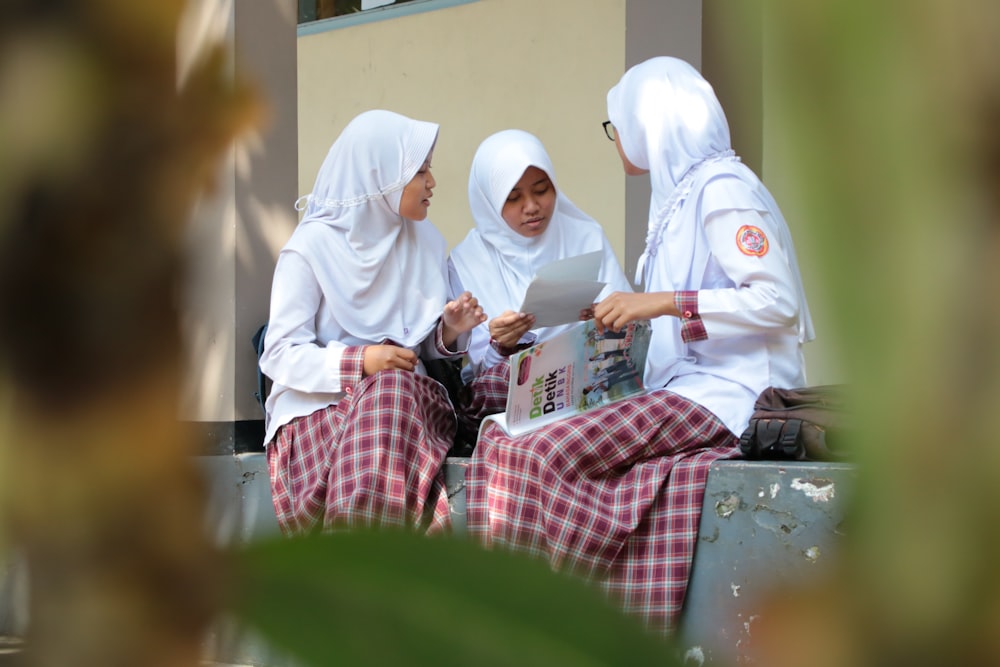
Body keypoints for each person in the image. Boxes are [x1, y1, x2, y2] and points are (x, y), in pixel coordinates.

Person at [464, 57, 814, 635]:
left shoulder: (723, 190)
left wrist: (659, 303)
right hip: (682, 387)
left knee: (533, 453)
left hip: (729, 393)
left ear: (649, 123)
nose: (617, 140)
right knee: (507, 436)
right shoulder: (679, 196)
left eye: (616, 125)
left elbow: (777, 302)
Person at [260, 109, 486, 536]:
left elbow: (418, 351)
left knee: (392, 393)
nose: (432, 183)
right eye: (420, 172)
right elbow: (280, 353)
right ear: (381, 177)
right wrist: (361, 361)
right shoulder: (310, 249)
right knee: (387, 395)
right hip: (319, 415)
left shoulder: (426, 242)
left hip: (404, 409)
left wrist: (450, 331)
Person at [448, 129, 632, 428]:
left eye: (542, 189)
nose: (532, 206)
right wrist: (501, 345)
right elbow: (479, 376)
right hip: (506, 399)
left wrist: (600, 317)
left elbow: (626, 334)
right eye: (513, 197)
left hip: (586, 385)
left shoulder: (584, 236)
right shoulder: (467, 261)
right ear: (490, 203)